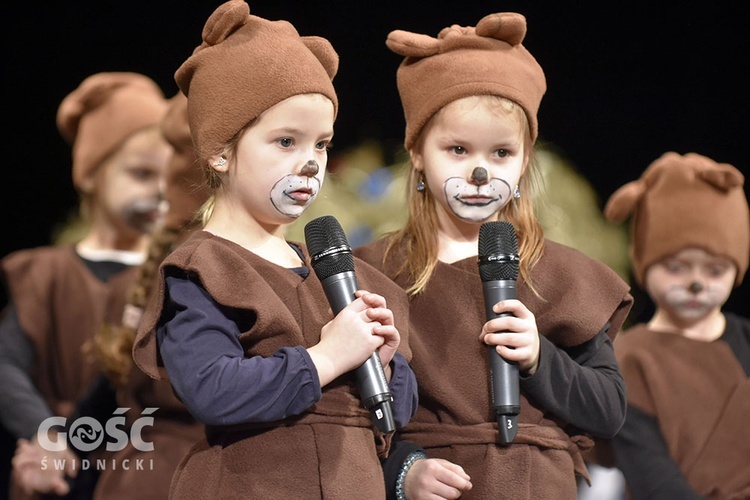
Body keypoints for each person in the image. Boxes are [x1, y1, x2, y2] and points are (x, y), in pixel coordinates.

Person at [131, 1, 418, 498]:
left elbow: (399, 412)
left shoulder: (329, 269)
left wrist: (385, 363)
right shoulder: (202, 268)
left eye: (321, 145)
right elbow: (213, 391)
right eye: (286, 141)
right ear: (220, 151)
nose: (309, 163)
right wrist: (328, 357)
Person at [354, 12, 633, 499]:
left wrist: (539, 358)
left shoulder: (561, 274)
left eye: (501, 153)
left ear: (526, 158)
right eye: (458, 149)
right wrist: (401, 469)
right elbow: (348, 409)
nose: (480, 173)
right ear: (418, 151)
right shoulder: (376, 269)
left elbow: (608, 409)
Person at [10, 92, 208, 500]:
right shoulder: (47, 272)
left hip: (154, 463)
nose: (158, 190)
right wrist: (47, 434)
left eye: (165, 176)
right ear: (91, 175)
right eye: (140, 174)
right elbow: (6, 365)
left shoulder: (178, 268)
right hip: (73, 465)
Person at [602, 151, 750, 499]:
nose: (696, 283)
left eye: (715, 270)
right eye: (676, 267)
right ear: (644, 263)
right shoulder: (628, 358)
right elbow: (652, 476)